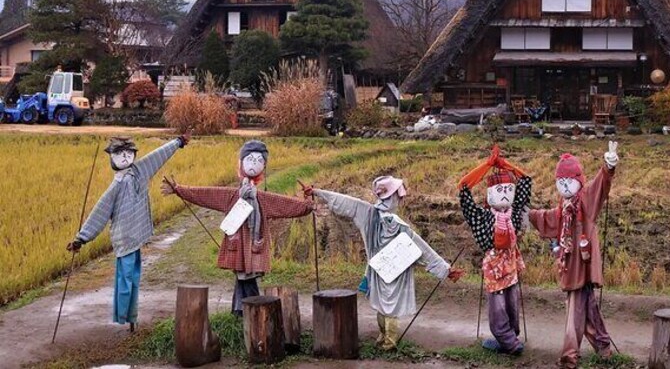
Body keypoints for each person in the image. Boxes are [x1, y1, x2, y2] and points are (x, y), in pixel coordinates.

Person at [304, 177, 464, 350]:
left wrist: (317, 192)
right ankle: (389, 339)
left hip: (381, 269)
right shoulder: (391, 222)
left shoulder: (367, 213)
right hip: (387, 270)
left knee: (382, 303)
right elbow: (423, 249)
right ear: (394, 197)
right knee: (389, 304)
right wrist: (445, 269)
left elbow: (344, 202)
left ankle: (386, 337)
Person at [161, 139, 313, 316]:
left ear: (264, 166)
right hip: (238, 246)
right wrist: (180, 190)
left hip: (254, 247)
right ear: (241, 163)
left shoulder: (263, 199)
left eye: (258, 161)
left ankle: (247, 312)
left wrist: (307, 203)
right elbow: (206, 194)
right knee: (244, 279)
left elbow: (287, 205)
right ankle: (247, 312)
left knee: (245, 279)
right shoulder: (231, 196)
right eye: (250, 160)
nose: (253, 164)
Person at [67, 135, 189, 331]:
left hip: (136, 235)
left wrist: (178, 142)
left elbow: (158, 155)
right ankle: (125, 316)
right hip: (124, 238)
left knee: (133, 277)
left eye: (129, 153)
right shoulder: (116, 186)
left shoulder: (140, 171)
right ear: (112, 158)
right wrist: (81, 238)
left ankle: (130, 317)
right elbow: (99, 213)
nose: (125, 157)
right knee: (126, 280)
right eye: (119, 154)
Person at [527, 141, 619, 369]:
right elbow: (546, 218)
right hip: (571, 265)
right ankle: (603, 346)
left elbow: (600, 186)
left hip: (583, 264)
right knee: (587, 307)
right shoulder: (562, 210)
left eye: (569, 181)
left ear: (578, 181)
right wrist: (527, 214)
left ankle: (569, 357)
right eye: (560, 181)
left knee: (575, 311)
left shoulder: (586, 200)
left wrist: (608, 167)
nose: (565, 185)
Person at [458, 145, 531, 355]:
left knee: (500, 303)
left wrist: (491, 165)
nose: (506, 194)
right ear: (491, 195)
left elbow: (463, 188)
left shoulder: (483, 217)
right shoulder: (514, 213)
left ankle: (508, 342)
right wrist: (498, 165)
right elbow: (525, 180)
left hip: (496, 265)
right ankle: (511, 337)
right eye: (501, 190)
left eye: (509, 190)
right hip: (509, 262)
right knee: (510, 299)